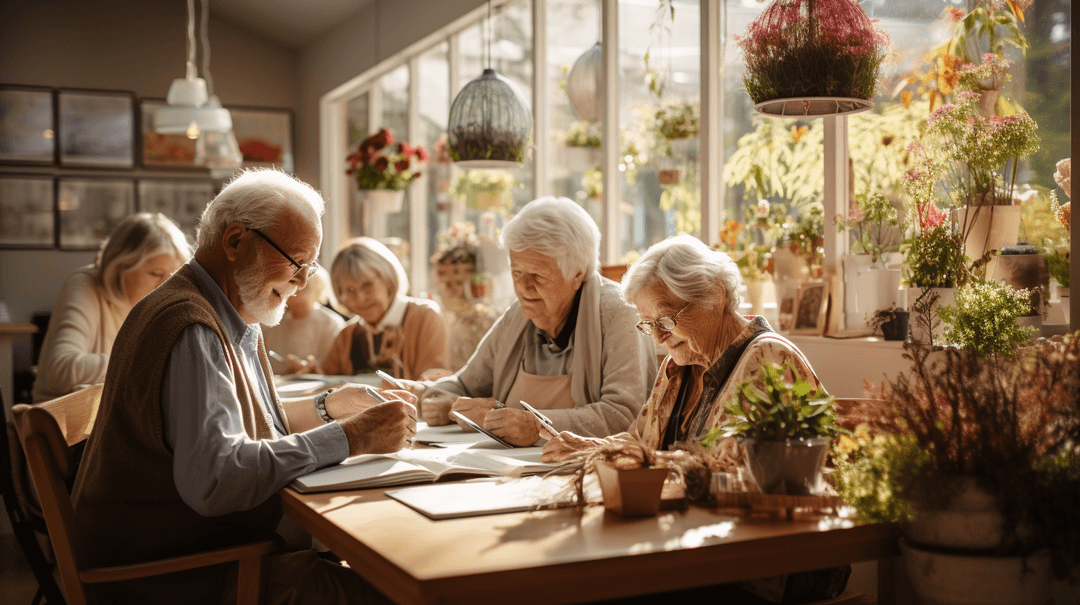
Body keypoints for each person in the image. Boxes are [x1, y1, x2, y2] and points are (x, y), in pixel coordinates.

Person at [71, 170, 416, 604]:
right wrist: (353, 436)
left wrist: (331, 405)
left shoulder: (222, 312)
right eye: (297, 263)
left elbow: (241, 421)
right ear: (235, 242)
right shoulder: (192, 329)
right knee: (393, 593)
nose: (304, 283)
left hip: (191, 554)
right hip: (173, 577)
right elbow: (216, 479)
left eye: (310, 268)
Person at [542, 234, 823, 462]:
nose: (658, 338)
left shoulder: (769, 358)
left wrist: (607, 455)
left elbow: (732, 468)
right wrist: (591, 446)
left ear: (714, 296)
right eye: (648, 324)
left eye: (665, 320)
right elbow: (642, 442)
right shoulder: (678, 366)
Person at [419, 196, 658, 446]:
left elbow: (624, 416)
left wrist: (537, 425)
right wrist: (446, 402)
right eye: (517, 272)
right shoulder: (518, 315)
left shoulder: (619, 313)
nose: (524, 287)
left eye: (538, 275)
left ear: (577, 274)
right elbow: (465, 384)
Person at [33, 212, 191, 402]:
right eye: (155, 273)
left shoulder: (157, 306)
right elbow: (58, 370)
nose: (166, 284)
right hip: (65, 425)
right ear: (121, 267)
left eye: (173, 275)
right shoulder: (85, 284)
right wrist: (144, 364)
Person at [308, 237, 448, 381]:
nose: (360, 298)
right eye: (350, 290)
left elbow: (434, 382)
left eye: (367, 285)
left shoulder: (425, 317)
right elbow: (325, 384)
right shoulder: (347, 335)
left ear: (387, 278)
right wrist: (310, 372)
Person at [263, 266, 345, 374]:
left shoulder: (331, 323)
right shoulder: (270, 323)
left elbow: (331, 371)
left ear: (315, 288)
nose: (292, 290)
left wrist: (310, 368)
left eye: (302, 286)